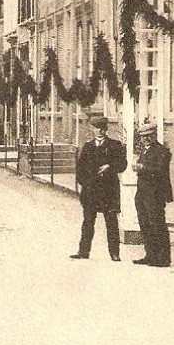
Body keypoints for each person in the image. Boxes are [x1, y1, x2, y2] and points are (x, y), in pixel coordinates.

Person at [71, 111, 127, 262]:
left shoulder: (115, 145)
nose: (100, 131)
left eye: (103, 128)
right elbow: (80, 169)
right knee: (88, 222)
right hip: (91, 192)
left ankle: (115, 253)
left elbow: (123, 165)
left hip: (109, 191)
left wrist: (110, 166)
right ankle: (83, 251)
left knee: (112, 223)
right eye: (97, 128)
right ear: (92, 129)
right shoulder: (88, 147)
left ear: (106, 129)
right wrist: (86, 185)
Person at [132, 120, 173, 267]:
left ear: (155, 135)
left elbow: (160, 171)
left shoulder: (162, 151)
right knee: (145, 224)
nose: (146, 139)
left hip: (156, 194)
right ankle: (150, 255)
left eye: (149, 135)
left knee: (157, 224)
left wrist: (142, 168)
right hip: (142, 193)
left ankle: (162, 258)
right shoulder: (144, 150)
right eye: (144, 136)